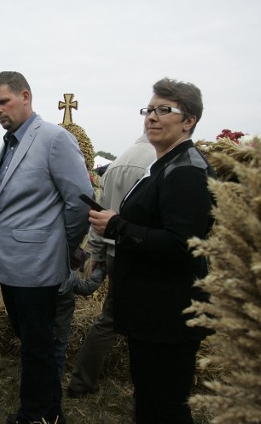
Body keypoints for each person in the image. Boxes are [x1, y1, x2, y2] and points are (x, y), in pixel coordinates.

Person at [90, 78, 215, 423]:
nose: (152, 118)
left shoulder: (187, 171)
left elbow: (180, 244)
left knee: (166, 405)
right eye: (149, 110)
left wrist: (117, 227)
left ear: (188, 120)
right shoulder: (165, 164)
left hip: (168, 316)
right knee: (151, 398)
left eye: (164, 110)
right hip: (153, 312)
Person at [0, 71, 93, 424]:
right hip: (12, 265)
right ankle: (51, 411)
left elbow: (79, 203)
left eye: (4, 101)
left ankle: (32, 415)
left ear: (25, 96)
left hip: (39, 266)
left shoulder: (53, 139)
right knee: (34, 345)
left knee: (36, 349)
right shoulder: (10, 142)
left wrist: (61, 247)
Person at [66, 133, 156, 398]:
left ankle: (82, 379)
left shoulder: (117, 164)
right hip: (140, 251)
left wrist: (94, 254)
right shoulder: (156, 163)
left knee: (109, 319)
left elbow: (99, 217)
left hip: (115, 252)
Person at [53, 246, 105, 380]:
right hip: (61, 325)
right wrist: (100, 270)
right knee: (58, 351)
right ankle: (54, 382)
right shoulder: (70, 277)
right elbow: (87, 288)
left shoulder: (40, 270)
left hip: (40, 321)